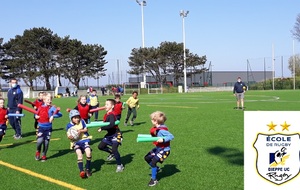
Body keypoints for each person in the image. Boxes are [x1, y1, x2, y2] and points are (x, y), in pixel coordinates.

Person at [144, 111, 174, 187]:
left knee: (153, 162)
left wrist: (163, 140)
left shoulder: (162, 130)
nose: (151, 121)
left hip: (164, 150)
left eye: (152, 119)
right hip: (158, 148)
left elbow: (171, 136)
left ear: (156, 121)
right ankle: (156, 168)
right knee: (147, 158)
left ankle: (154, 180)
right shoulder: (157, 128)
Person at [97, 99, 124, 172]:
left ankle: (119, 165)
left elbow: (112, 125)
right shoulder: (106, 115)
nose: (105, 106)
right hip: (109, 134)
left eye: (107, 105)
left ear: (112, 106)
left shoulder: (111, 115)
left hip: (116, 134)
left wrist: (102, 128)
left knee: (115, 149)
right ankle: (111, 153)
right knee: (101, 147)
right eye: (105, 104)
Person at [35, 93, 62, 162]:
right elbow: (36, 114)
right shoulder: (40, 107)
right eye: (48, 99)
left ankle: (44, 154)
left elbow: (60, 114)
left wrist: (53, 116)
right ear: (44, 100)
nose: (49, 101)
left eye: (50, 100)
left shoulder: (52, 108)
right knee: (39, 141)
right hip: (41, 127)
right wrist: (36, 116)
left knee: (46, 143)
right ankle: (38, 151)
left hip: (48, 128)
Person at [66, 110, 92, 178]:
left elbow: (86, 129)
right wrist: (70, 137)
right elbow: (68, 135)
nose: (77, 119)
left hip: (84, 139)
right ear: (71, 118)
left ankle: (88, 169)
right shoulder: (69, 126)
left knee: (88, 153)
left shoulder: (82, 121)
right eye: (75, 118)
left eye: (78, 117)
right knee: (79, 154)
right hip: (76, 142)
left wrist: (81, 131)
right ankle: (81, 171)